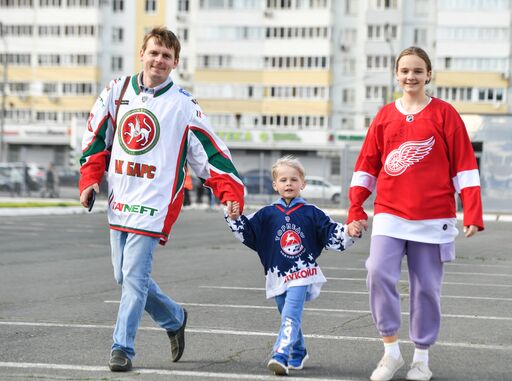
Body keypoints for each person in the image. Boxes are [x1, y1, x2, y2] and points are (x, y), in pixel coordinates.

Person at [78, 26, 245, 372]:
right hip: (120, 200)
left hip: (153, 206)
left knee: (135, 278)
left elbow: (210, 153)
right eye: (154, 52)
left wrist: (229, 191)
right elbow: (96, 137)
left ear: (175, 62)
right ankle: (174, 317)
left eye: (166, 56)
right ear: (142, 53)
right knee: (123, 278)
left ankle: (121, 348)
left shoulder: (183, 105)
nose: (159, 60)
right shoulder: (117, 91)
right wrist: (90, 179)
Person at [346, 46, 484, 381]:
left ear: (428, 75)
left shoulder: (444, 114)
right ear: (397, 74)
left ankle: (421, 358)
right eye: (405, 70)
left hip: (433, 216)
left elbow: (464, 164)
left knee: (425, 288)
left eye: (417, 71)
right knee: (377, 272)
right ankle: (390, 352)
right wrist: (355, 207)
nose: (411, 76)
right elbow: (367, 165)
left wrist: (472, 212)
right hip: (390, 213)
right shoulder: (384, 116)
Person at [226, 155, 363, 376]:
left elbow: (332, 233)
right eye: (283, 180)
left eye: (293, 179)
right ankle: (299, 351)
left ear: (303, 183)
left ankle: (280, 354)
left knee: (291, 314)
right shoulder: (267, 214)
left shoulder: (312, 213)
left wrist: (350, 231)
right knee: (285, 312)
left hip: (303, 271)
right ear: (275, 185)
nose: (288, 183)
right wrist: (235, 218)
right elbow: (248, 232)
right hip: (277, 274)